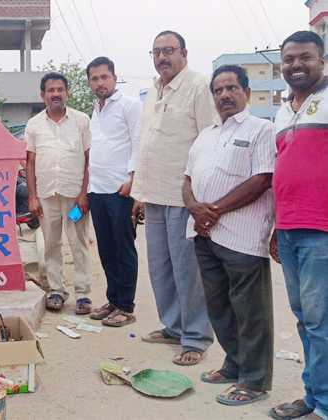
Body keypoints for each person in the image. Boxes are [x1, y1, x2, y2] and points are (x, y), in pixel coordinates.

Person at [183, 65, 275, 405]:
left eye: (231, 88)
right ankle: (234, 364)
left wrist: (215, 210)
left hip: (241, 235)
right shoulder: (206, 134)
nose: (224, 94)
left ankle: (254, 380)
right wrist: (194, 207)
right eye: (218, 90)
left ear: (247, 93)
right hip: (204, 234)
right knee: (219, 306)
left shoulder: (261, 129)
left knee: (251, 311)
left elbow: (262, 179)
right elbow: (188, 178)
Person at [130, 30, 216, 365]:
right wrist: (139, 191)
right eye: (156, 52)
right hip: (153, 194)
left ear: (184, 53)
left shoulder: (199, 86)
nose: (162, 57)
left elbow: (210, 142)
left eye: (168, 51)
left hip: (184, 197)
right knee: (160, 268)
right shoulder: (153, 91)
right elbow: (146, 144)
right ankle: (174, 326)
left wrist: (201, 198)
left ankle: (195, 337)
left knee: (187, 271)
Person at [269, 30, 328, 420]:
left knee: (321, 320)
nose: (296, 65)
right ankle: (315, 394)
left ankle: (323, 404)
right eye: (289, 59)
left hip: (320, 228)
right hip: (289, 228)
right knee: (306, 319)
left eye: (305, 57)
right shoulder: (281, 110)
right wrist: (277, 224)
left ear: (322, 61)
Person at [25, 72, 92, 315]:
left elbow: (89, 160)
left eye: (60, 89)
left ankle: (83, 295)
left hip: (74, 199)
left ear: (67, 93)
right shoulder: (34, 124)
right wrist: (33, 197)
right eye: (51, 90)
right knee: (51, 244)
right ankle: (57, 291)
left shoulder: (81, 121)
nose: (56, 94)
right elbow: (30, 162)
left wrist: (84, 194)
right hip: (46, 198)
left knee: (78, 243)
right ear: (43, 95)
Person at [85, 56, 141, 327]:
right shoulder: (96, 110)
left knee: (123, 249)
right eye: (94, 78)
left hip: (121, 191)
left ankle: (126, 307)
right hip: (97, 190)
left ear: (114, 78)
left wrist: (134, 181)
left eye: (104, 77)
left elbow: (139, 144)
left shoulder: (130, 106)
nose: (100, 82)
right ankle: (114, 300)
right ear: (89, 83)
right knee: (106, 250)